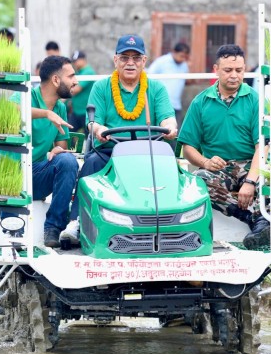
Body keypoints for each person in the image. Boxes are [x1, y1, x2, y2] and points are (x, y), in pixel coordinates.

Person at [64, 34, 178, 244]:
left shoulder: (156, 88)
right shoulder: (101, 87)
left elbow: (167, 117)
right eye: (125, 57)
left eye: (136, 58)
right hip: (110, 151)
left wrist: (170, 126)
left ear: (144, 61)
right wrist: (98, 128)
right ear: (115, 60)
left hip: (149, 152)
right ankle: (77, 222)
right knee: (91, 162)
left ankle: (172, 224)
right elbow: (92, 122)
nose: (130, 63)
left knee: (172, 166)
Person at [178, 44, 270, 249]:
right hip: (221, 168)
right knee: (199, 180)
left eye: (239, 70)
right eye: (228, 70)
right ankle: (252, 217)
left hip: (252, 163)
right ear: (216, 70)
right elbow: (188, 148)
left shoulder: (255, 100)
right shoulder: (200, 102)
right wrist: (205, 162)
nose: (234, 76)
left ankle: (264, 224)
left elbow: (262, 147)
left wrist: (250, 182)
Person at [1, 55, 79, 247]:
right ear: (55, 79)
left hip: (37, 173)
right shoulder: (26, 95)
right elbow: (12, 110)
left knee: (68, 161)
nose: (75, 81)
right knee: (13, 244)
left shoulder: (60, 107)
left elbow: (62, 145)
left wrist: (57, 149)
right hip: (11, 178)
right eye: (71, 76)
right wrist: (45, 113)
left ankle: (53, 228)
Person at [146, 42, 191, 126]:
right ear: (174, 52)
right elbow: (149, 76)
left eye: (185, 57)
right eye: (181, 56)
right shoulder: (162, 61)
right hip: (161, 104)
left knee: (175, 134)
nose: (182, 59)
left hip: (176, 105)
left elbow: (188, 81)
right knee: (160, 133)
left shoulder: (184, 65)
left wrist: (189, 66)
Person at [68, 50, 96, 134]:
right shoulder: (78, 72)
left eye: (76, 61)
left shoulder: (88, 72)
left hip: (86, 112)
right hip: (76, 111)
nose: (74, 63)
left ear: (83, 59)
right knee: (69, 133)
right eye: (73, 61)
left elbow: (76, 89)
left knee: (89, 137)